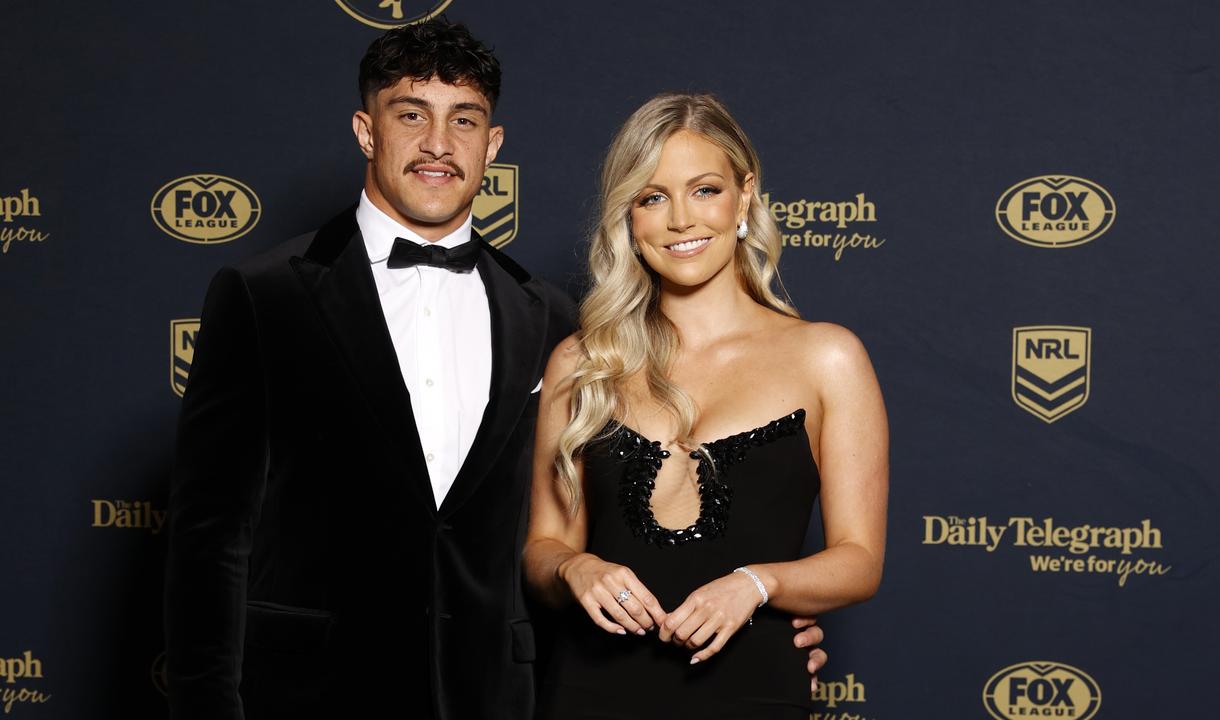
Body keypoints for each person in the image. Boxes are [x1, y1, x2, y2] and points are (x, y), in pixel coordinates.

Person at [163, 20, 826, 720]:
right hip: (311, 694)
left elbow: (593, 528)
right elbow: (208, 537)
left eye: (464, 120)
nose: (438, 145)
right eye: (410, 115)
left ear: (493, 144)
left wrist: (774, 615)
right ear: (366, 131)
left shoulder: (556, 323)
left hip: (499, 697)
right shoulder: (264, 295)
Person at [524, 93, 889, 718]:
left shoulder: (827, 359)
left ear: (744, 197)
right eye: (653, 197)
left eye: (705, 190)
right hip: (589, 690)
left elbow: (858, 562)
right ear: (629, 219)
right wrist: (575, 569)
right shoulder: (581, 363)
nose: (680, 221)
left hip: (754, 690)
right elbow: (543, 548)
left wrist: (759, 582)